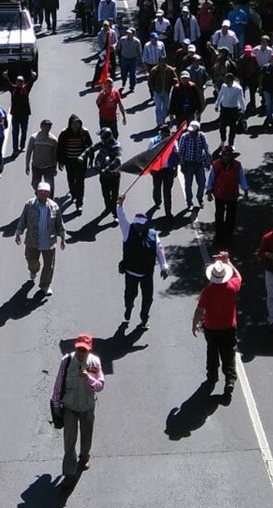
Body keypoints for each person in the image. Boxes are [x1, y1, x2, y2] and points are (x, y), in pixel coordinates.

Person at [51, 332, 105, 489]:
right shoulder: (67, 361)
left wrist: (88, 377)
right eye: (79, 349)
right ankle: (69, 473)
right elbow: (59, 382)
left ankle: (84, 456)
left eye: (84, 350)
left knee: (86, 434)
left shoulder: (95, 362)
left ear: (89, 349)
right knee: (69, 441)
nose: (81, 353)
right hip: (70, 407)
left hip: (87, 406)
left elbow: (100, 386)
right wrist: (56, 405)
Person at [192, 252, 241, 401]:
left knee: (212, 352)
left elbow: (200, 311)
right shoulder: (232, 286)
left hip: (212, 328)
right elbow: (238, 276)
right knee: (228, 353)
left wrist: (194, 324)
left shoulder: (208, 292)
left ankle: (212, 376)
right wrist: (228, 261)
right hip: (229, 327)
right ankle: (230, 381)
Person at [116, 196, 169, 329]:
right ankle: (128, 308)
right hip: (131, 273)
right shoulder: (127, 230)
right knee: (129, 296)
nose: (138, 227)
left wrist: (164, 267)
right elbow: (121, 218)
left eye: (140, 225)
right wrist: (120, 205)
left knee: (148, 299)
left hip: (146, 274)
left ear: (146, 224)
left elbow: (159, 250)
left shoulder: (153, 235)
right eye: (136, 224)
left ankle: (144, 319)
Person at [14, 181, 66, 297]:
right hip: (32, 241)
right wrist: (18, 232)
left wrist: (62, 238)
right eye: (41, 191)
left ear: (49, 194)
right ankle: (33, 270)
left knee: (49, 265)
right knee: (32, 261)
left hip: (49, 241)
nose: (43, 194)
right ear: (36, 192)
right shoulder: (29, 204)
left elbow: (59, 224)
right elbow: (23, 220)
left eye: (46, 192)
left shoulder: (54, 207)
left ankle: (45, 285)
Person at [206, 145, 250, 242]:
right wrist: (209, 192)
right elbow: (211, 179)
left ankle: (229, 236)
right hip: (219, 194)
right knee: (219, 216)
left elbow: (242, 179)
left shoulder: (237, 165)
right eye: (225, 154)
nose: (226, 157)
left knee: (231, 217)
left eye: (229, 155)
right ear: (222, 155)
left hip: (232, 194)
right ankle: (219, 237)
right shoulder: (216, 165)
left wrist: (245, 191)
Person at [56, 115, 93, 212]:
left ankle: (79, 203)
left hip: (81, 162)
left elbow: (90, 147)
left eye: (78, 123)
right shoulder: (64, 133)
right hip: (69, 161)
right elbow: (60, 148)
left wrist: (91, 160)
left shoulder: (84, 133)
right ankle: (73, 194)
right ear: (70, 124)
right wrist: (60, 162)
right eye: (74, 124)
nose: (76, 126)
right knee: (71, 180)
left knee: (80, 182)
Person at [178, 121, 211, 212]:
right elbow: (181, 151)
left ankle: (199, 198)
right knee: (188, 184)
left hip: (199, 163)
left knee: (202, 183)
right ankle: (189, 202)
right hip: (188, 164)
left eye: (193, 131)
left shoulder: (202, 136)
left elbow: (206, 149)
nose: (191, 133)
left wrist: (208, 162)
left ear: (198, 130)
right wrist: (182, 164)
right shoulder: (185, 137)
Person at [89, 128, 122, 219]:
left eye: (102, 137)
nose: (101, 139)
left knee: (114, 195)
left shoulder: (116, 146)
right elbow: (96, 153)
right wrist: (97, 165)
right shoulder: (103, 145)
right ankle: (108, 208)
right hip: (103, 176)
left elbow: (117, 161)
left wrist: (107, 168)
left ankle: (115, 214)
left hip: (114, 175)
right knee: (105, 194)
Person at [4, 72, 36, 154]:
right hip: (15, 114)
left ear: (23, 82)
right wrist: (6, 76)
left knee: (24, 131)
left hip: (24, 114)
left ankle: (22, 146)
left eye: (21, 81)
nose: (20, 83)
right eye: (18, 81)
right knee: (15, 132)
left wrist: (33, 76)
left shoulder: (25, 89)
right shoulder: (13, 89)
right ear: (16, 82)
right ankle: (15, 149)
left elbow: (31, 83)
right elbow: (8, 83)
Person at [25, 119, 59, 193]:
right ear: (41, 126)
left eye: (49, 127)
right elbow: (29, 152)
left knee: (50, 186)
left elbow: (55, 155)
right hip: (36, 166)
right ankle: (39, 198)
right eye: (45, 126)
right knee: (35, 184)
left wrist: (55, 167)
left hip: (49, 167)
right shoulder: (34, 138)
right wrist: (27, 165)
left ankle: (50, 201)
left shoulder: (53, 140)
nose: (47, 128)